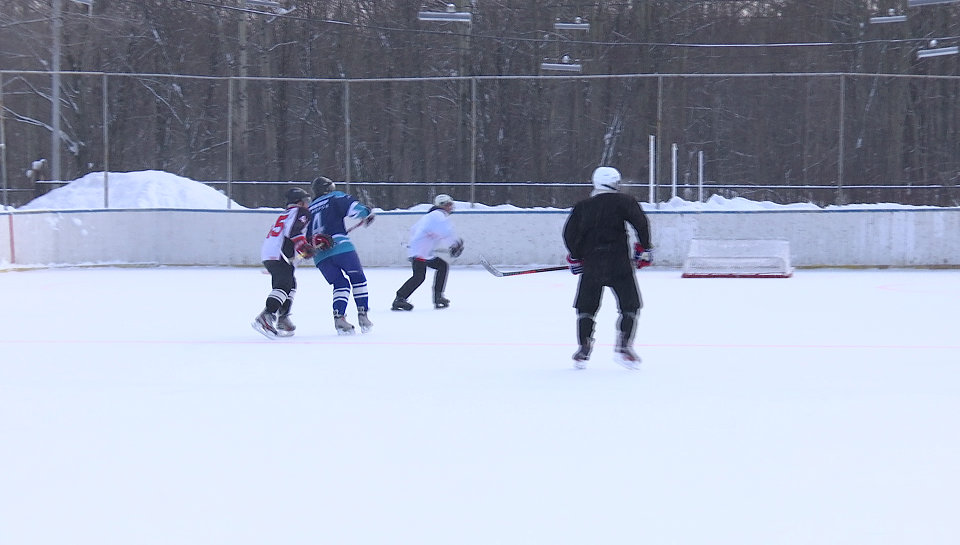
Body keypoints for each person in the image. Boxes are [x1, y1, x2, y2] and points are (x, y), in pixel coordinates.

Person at [562, 167, 653, 370]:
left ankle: (584, 348)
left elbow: (569, 234)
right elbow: (641, 224)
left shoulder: (583, 206)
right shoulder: (624, 201)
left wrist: (576, 256)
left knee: (586, 307)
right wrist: (644, 248)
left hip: (592, 264)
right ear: (615, 182)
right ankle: (624, 346)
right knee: (630, 305)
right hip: (619, 262)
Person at [307, 176, 376, 335]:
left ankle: (339, 319)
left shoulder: (308, 208)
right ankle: (363, 315)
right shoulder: (335, 196)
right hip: (341, 246)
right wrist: (366, 212)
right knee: (357, 278)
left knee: (340, 284)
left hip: (319, 254)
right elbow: (355, 210)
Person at [253, 187, 316, 339]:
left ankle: (283, 317)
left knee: (290, 284)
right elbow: (294, 231)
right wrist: (303, 246)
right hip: (280, 253)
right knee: (284, 286)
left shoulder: (287, 213)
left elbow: (292, 231)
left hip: (271, 252)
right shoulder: (300, 212)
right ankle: (266, 316)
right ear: (299, 202)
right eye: (305, 201)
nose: (307, 205)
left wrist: (312, 242)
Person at [392, 194, 464, 311]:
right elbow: (446, 232)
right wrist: (455, 244)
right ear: (443, 206)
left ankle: (438, 297)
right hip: (420, 252)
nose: (451, 207)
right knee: (419, 277)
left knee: (442, 266)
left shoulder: (431, 216)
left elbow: (414, 229)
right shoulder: (438, 216)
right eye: (449, 205)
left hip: (422, 251)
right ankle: (399, 299)